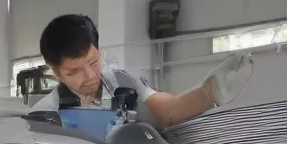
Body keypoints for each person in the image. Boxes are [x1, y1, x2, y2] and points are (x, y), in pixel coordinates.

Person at [31, 14, 252, 129]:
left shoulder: (123, 83)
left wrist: (208, 92)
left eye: (93, 62)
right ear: (56, 73)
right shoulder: (46, 115)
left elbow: (167, 110)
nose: (89, 76)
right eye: (74, 72)